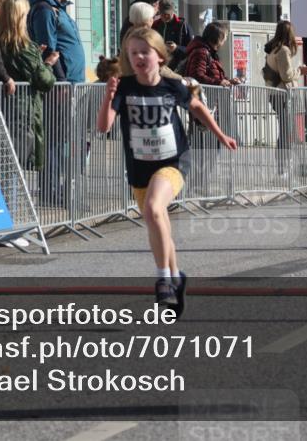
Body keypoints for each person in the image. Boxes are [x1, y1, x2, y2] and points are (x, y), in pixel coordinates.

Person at [96, 27, 236, 310]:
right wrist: (108, 97)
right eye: (132, 53)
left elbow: (197, 107)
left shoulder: (172, 86)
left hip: (173, 161)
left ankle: (162, 280)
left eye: (144, 52)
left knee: (154, 209)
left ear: (159, 57)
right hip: (139, 169)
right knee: (158, 223)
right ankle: (175, 277)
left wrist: (221, 134)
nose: (138, 58)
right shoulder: (124, 86)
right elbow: (104, 127)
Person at [0, 0, 59, 170]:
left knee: (2, 165)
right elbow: (44, 80)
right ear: (21, 18)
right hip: (21, 112)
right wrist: (47, 63)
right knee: (13, 166)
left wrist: (36, 56)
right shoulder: (23, 46)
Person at [264, 20, 307, 176]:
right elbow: (286, 76)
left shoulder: (273, 49)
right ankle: (282, 168)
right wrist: (300, 71)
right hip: (282, 94)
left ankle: (282, 167)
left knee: (285, 131)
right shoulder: (283, 50)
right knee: (285, 133)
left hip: (275, 94)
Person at [28, 0, 85, 84]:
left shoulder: (59, 9)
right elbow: (48, 47)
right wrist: (61, 80)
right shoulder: (45, 10)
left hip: (73, 80)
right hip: (62, 83)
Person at [184, 22, 239, 86]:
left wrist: (228, 82)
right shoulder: (201, 53)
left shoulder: (210, 53)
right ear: (218, 38)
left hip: (209, 94)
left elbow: (214, 75)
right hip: (202, 94)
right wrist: (218, 82)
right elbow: (196, 77)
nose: (224, 41)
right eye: (224, 38)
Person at [153, 0, 193, 70]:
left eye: (168, 14)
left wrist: (177, 48)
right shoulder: (156, 25)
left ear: (173, 12)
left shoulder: (183, 25)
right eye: (163, 14)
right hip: (158, 66)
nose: (165, 16)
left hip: (177, 67)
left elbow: (191, 49)